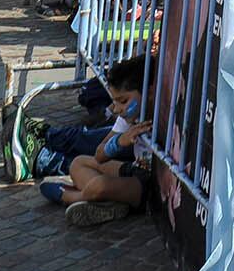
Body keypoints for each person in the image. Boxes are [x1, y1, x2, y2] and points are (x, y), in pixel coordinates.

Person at [38, 56, 155, 226]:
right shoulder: (127, 117)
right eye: (114, 102)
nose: (117, 109)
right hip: (134, 169)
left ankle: (70, 197)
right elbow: (99, 155)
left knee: (98, 185)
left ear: (150, 93)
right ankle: (111, 202)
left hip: (148, 185)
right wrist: (119, 142)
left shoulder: (163, 115)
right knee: (78, 163)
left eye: (123, 101)